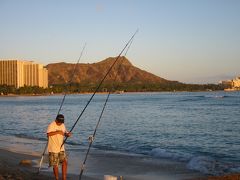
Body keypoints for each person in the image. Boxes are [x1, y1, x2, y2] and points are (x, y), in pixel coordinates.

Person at [47, 114, 72, 180]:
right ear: (56, 120)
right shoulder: (51, 125)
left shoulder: (63, 125)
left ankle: (64, 178)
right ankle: (57, 178)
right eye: (59, 122)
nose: (60, 123)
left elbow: (64, 133)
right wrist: (57, 132)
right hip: (53, 148)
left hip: (61, 148)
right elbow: (48, 134)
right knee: (55, 165)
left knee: (64, 162)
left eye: (61, 122)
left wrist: (67, 134)